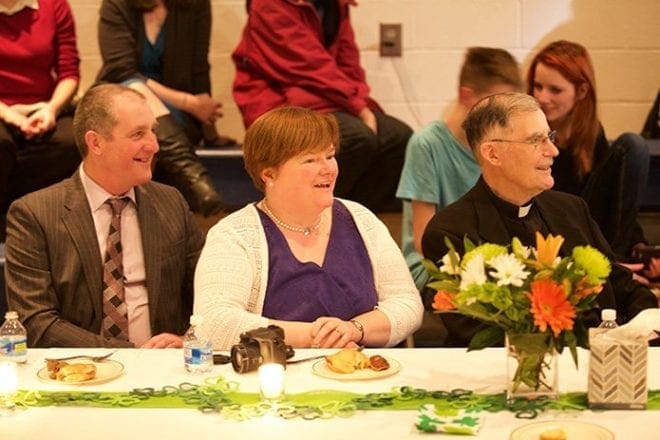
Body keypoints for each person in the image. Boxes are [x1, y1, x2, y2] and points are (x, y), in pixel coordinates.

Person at [421, 92, 657, 347]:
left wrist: (646, 320)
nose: (553, 150)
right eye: (536, 140)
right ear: (493, 153)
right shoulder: (450, 231)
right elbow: (478, 333)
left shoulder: (572, 209)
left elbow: (620, 284)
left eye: (550, 137)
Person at [193, 106, 423, 350]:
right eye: (310, 159)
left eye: (330, 155)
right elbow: (215, 324)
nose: (328, 169)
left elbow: (407, 303)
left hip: (364, 376)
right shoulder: (235, 234)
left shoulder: (361, 219)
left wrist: (353, 329)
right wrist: (318, 335)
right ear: (269, 174)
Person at [4, 84, 205, 348]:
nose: (154, 146)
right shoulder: (34, 214)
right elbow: (36, 321)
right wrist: (129, 355)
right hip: (77, 374)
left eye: (153, 131)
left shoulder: (171, 203)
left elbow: (207, 293)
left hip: (165, 370)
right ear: (95, 142)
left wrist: (184, 340)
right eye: (138, 134)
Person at [231, 0, 412, 212]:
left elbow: (348, 61)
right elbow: (306, 64)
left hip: (325, 97)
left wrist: (360, 99)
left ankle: (352, 216)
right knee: (357, 137)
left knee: (399, 138)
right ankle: (306, 211)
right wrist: (358, 107)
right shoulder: (269, 4)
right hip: (280, 100)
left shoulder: (338, 5)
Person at [527, 40, 658, 281]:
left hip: (590, 231)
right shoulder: (530, 133)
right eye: (537, 86)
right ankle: (615, 269)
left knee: (632, 146)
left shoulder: (590, 133)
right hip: (551, 234)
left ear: (582, 91)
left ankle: (621, 261)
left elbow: (617, 202)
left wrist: (640, 246)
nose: (542, 97)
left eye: (555, 90)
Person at [397, 47, 522, 292]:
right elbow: (426, 241)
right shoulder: (427, 144)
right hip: (434, 268)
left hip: (490, 264)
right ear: (467, 97)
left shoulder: (503, 144)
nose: (505, 117)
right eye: (495, 105)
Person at [96, 0, 232, 216]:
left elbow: (199, 68)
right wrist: (189, 102)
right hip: (123, 105)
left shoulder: (196, 4)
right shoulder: (117, 4)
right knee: (134, 91)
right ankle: (197, 182)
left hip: (174, 115)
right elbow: (120, 70)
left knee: (143, 138)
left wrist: (209, 129)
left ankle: (189, 193)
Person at [1, 0, 82, 241]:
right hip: (2, 109)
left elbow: (69, 73)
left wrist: (51, 110)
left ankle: (41, 224)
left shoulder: (55, 6)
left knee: (72, 143)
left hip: (42, 106)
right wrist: (8, 114)